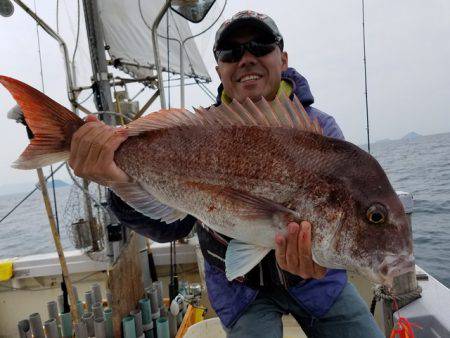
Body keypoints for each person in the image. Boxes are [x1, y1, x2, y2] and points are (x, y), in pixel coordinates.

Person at [69, 10, 383, 338]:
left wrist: (323, 258)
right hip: (240, 291)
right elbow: (170, 227)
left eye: (260, 45)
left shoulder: (322, 132)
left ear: (283, 57)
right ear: (219, 70)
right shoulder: (195, 137)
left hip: (315, 283)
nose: (246, 58)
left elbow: (345, 225)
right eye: (231, 52)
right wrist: (114, 180)